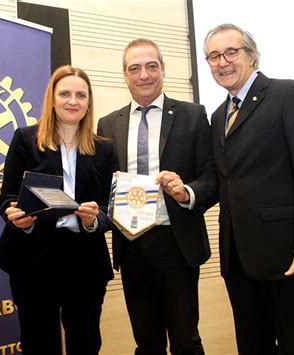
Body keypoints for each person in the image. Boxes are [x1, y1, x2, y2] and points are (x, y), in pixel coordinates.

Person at [203, 23, 294, 354]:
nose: (222, 62)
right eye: (213, 56)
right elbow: (224, 181)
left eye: (231, 52)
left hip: (287, 257)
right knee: (252, 346)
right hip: (238, 258)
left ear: (252, 55)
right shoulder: (218, 116)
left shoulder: (289, 94)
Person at [97, 38, 217, 355]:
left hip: (176, 243)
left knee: (185, 340)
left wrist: (186, 191)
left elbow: (211, 178)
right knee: (146, 342)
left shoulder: (193, 115)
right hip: (131, 244)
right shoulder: (107, 124)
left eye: (152, 66)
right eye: (134, 68)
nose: (144, 75)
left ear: (163, 69)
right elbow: (102, 188)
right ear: (125, 74)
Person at [0, 65, 116, 355]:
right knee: (39, 344)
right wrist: (21, 220)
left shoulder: (105, 149)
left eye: (80, 95)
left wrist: (93, 220)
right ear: (52, 99)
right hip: (33, 260)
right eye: (65, 94)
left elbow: (112, 206)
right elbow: (7, 197)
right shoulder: (25, 139)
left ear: (88, 103)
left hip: (85, 262)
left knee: (85, 344)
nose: (73, 101)